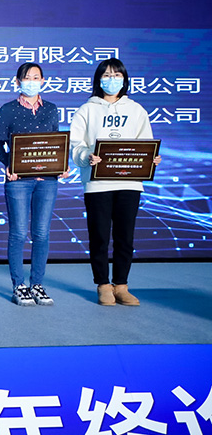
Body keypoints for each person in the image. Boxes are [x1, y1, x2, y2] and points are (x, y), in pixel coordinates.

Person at [70, 58, 161, 306]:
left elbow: (146, 143)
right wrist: (86, 156)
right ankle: (103, 285)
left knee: (125, 237)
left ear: (125, 79)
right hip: (97, 183)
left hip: (129, 183)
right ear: (99, 80)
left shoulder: (136, 110)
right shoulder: (87, 110)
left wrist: (151, 159)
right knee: (99, 236)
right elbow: (75, 145)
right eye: (107, 75)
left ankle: (121, 285)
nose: (112, 80)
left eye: (117, 75)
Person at [0, 62, 71, 307]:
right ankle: (19, 285)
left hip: (47, 181)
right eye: (27, 77)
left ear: (43, 81)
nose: (32, 82)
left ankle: (37, 284)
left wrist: (61, 165)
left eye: (36, 77)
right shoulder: (8, 109)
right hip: (19, 181)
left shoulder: (51, 109)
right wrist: (9, 164)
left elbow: (55, 143)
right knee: (18, 233)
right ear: (17, 82)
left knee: (42, 233)